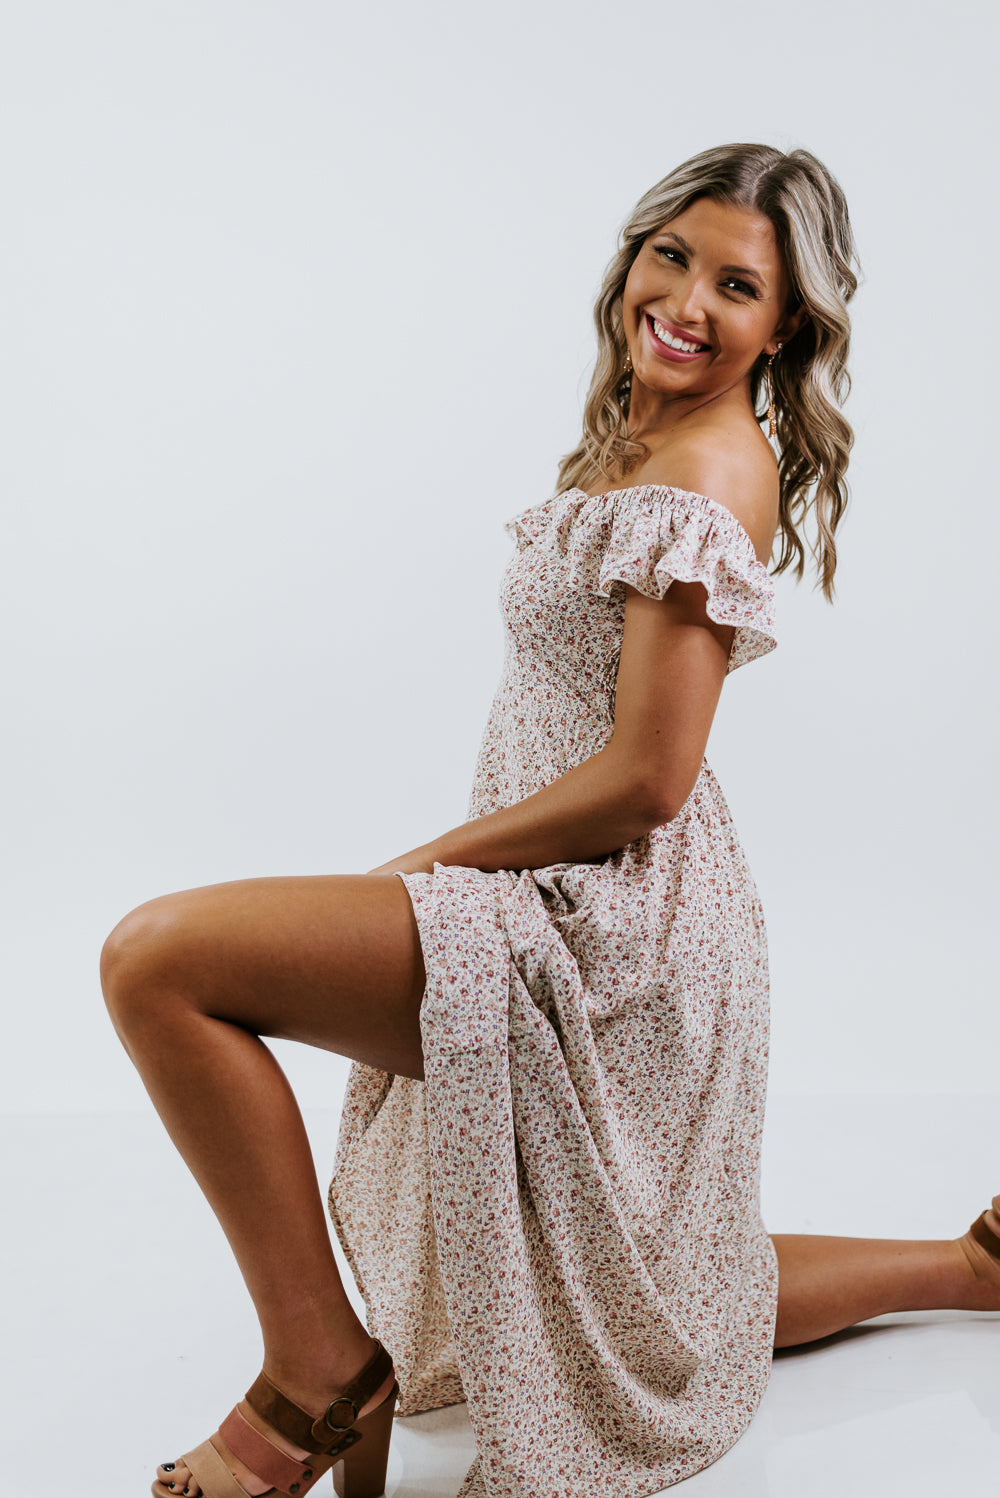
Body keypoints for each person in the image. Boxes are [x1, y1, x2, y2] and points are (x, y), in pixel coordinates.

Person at [101, 141, 1000, 1498]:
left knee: (156, 960)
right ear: (632, 256)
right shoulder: (642, 435)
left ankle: (317, 1369)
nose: (686, 302)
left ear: (784, 327)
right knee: (661, 1290)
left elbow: (648, 779)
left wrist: (425, 868)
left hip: (610, 928)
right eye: (671, 256)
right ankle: (973, 1269)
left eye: (737, 285)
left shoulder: (708, 471)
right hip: (587, 890)